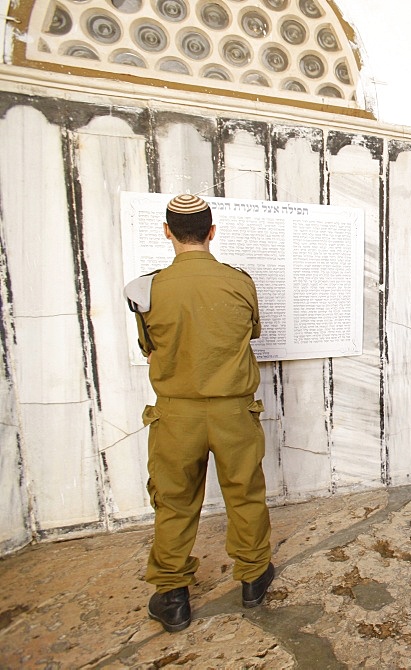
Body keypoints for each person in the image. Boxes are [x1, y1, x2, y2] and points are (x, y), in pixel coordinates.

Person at [124, 194, 274, 633]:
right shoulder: (240, 282)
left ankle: (172, 596)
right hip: (233, 411)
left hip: (176, 415)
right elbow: (252, 333)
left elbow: (150, 350)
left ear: (167, 232)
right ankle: (252, 578)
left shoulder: (146, 288)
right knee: (245, 493)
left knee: (173, 502)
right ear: (212, 232)